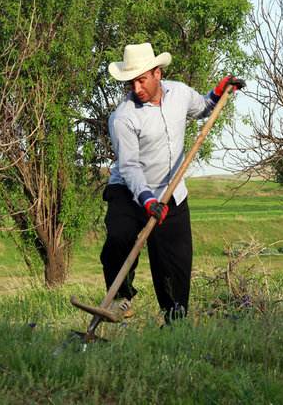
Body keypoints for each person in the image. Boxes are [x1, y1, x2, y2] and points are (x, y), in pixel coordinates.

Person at [101, 42, 244, 324]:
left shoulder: (179, 92)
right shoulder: (122, 118)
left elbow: (202, 107)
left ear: (156, 73)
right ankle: (120, 298)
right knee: (118, 237)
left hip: (171, 194)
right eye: (131, 82)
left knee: (175, 265)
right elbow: (129, 167)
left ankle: (175, 321)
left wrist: (218, 92)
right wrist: (147, 200)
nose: (137, 88)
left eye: (141, 80)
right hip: (131, 193)